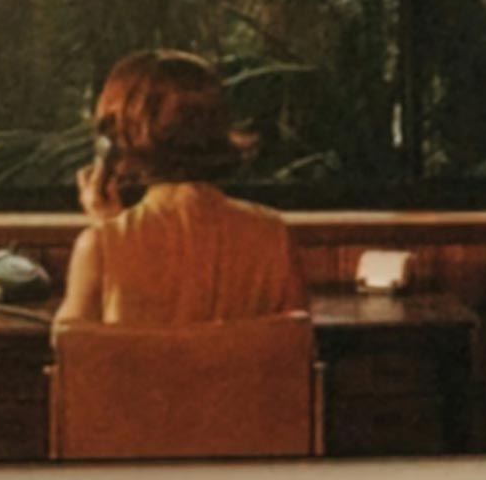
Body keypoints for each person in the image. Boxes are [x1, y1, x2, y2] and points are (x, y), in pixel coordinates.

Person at [58, 50, 304, 327]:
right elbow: (297, 349)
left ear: (115, 138)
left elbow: (69, 354)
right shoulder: (273, 236)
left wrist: (111, 231)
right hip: (236, 373)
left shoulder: (101, 246)